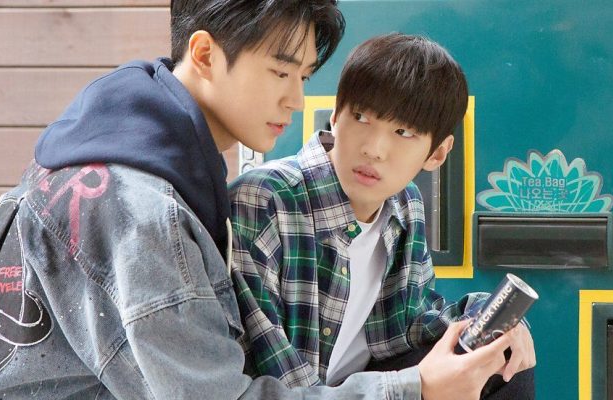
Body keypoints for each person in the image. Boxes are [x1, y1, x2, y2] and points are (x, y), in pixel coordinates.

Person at [0, 2, 519, 400]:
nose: (295, 101)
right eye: (280, 73)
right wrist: (415, 389)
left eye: (304, 78)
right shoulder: (142, 209)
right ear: (207, 54)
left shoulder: (127, 147)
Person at [229, 33, 537, 400]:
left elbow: (409, 328)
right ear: (336, 115)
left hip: (364, 388)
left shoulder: (405, 205)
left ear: (437, 153)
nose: (373, 149)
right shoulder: (263, 201)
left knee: (501, 359)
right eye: (361, 117)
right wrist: (410, 388)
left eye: (402, 132)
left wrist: (493, 319)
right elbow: (278, 381)